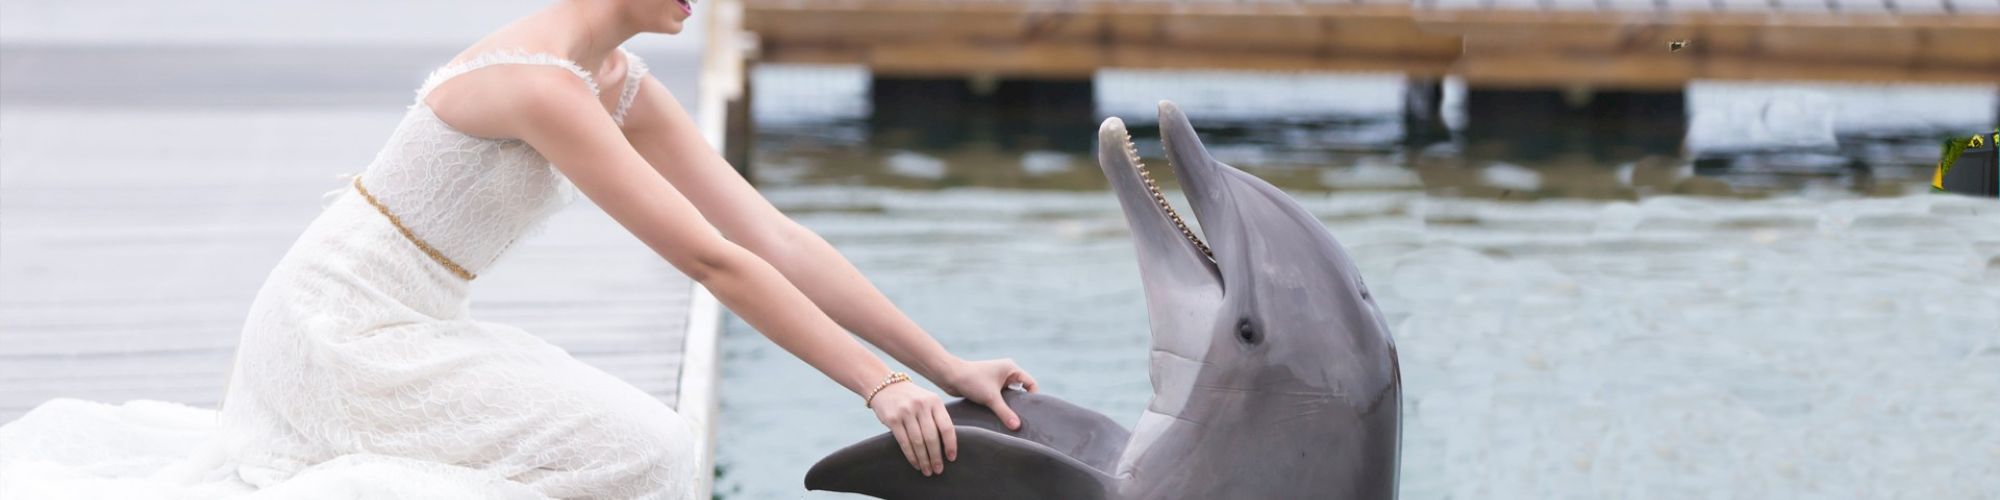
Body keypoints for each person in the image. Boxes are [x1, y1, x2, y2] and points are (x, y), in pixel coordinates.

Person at [203, 0, 1039, 497]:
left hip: (416, 324)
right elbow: (712, 263)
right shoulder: (541, 85)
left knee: (637, 444)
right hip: (336, 329)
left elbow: (771, 236)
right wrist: (877, 385)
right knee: (647, 447)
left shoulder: (617, 80)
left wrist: (942, 366)